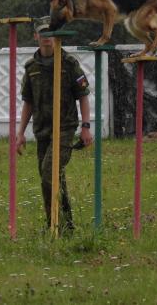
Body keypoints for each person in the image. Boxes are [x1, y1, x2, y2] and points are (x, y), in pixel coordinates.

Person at [16, 16, 93, 233]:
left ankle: (54, 225)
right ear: (36, 36)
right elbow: (28, 102)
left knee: (49, 173)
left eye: (51, 33)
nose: (47, 38)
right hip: (42, 130)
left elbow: (83, 95)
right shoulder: (31, 67)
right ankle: (65, 225)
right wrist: (20, 133)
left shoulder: (68, 63)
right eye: (43, 33)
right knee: (51, 177)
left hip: (65, 128)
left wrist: (85, 126)